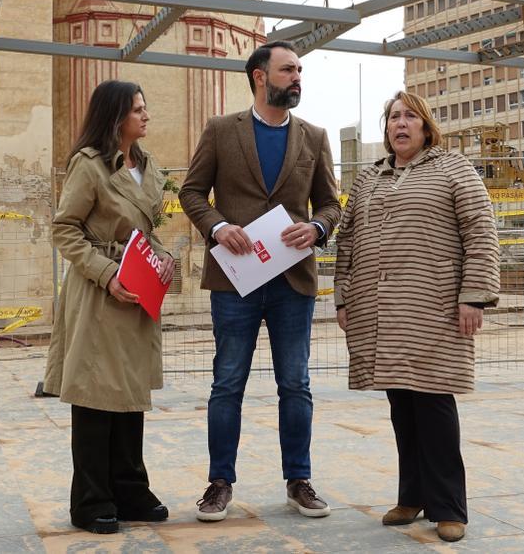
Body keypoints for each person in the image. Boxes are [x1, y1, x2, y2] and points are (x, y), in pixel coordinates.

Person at [179, 40, 342, 522]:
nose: (297, 78)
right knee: (227, 383)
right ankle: (219, 483)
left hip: (293, 280)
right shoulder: (220, 130)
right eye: (288, 69)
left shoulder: (314, 136)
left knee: (296, 384)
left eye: (300, 71)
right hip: (236, 281)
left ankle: (299, 480)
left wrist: (316, 228)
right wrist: (216, 227)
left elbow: (331, 204)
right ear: (259, 76)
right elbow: (191, 192)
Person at [333, 91, 500, 543]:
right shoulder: (369, 178)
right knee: (402, 405)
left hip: (434, 308)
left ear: (426, 127)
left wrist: (475, 296)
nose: (400, 124)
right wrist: (343, 296)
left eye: (409, 117)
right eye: (392, 117)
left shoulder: (453, 169)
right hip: (380, 311)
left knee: (433, 402)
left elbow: (481, 231)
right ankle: (412, 496)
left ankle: (449, 506)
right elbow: (346, 242)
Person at [43, 80, 176, 535]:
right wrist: (106, 274)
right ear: (115, 116)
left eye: (145, 108)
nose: (146, 116)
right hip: (101, 292)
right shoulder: (89, 165)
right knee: (96, 397)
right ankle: (90, 500)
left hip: (138, 289)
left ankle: (131, 489)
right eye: (138, 110)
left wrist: (162, 257)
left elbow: (146, 226)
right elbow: (65, 230)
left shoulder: (149, 165)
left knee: (129, 394)